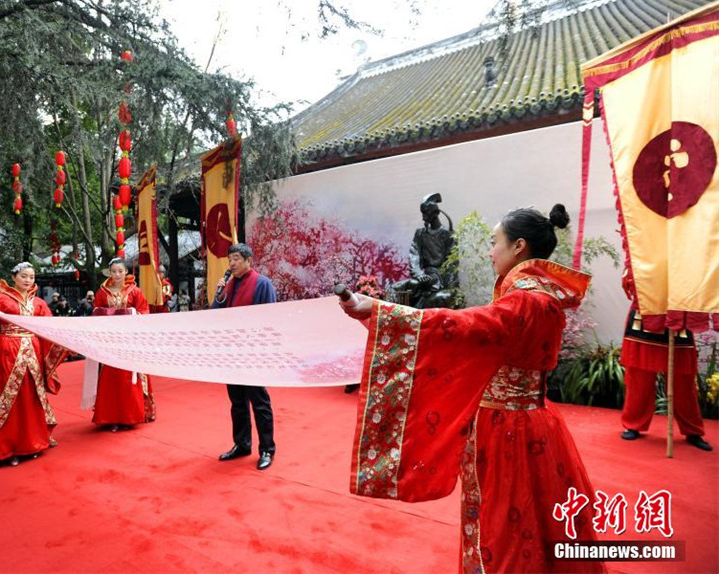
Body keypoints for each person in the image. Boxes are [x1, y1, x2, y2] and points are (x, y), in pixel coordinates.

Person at [340, 205, 604, 573]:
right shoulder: (540, 296)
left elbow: (465, 327)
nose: (489, 250)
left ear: (519, 247)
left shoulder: (526, 300)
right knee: (538, 519)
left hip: (508, 429)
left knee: (506, 527)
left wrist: (380, 312)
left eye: (495, 241)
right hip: (535, 421)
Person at [0, 262, 68, 471]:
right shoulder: (0, 298)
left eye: (31, 277)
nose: (28, 280)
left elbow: (51, 326)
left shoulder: (38, 303)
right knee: (6, 397)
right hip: (6, 352)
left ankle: (32, 442)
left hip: (32, 354)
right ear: (14, 277)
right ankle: (6, 448)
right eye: (24, 276)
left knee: (30, 397)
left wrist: (68, 336)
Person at [619, 271, 712, 451]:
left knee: (683, 382)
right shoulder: (641, 253)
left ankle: (693, 430)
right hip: (645, 314)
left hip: (678, 315)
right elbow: (628, 282)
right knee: (640, 378)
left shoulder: (686, 255)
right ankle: (633, 424)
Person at [211, 243, 277, 471]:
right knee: (237, 402)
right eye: (230, 259)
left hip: (253, 353)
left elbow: (270, 319)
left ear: (249, 260)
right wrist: (218, 295)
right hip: (232, 352)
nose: (232, 264)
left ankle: (267, 449)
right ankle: (242, 444)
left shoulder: (262, 283)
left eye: (236, 258)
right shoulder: (229, 285)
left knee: (259, 403)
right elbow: (215, 315)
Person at [91, 258, 154, 429]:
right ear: (109, 273)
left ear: (126, 272)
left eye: (120, 271)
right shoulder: (102, 293)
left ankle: (129, 417)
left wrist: (132, 313)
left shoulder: (135, 291)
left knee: (128, 378)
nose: (117, 274)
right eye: (113, 271)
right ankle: (110, 417)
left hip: (129, 342)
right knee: (110, 378)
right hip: (110, 342)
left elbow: (144, 313)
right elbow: (95, 312)